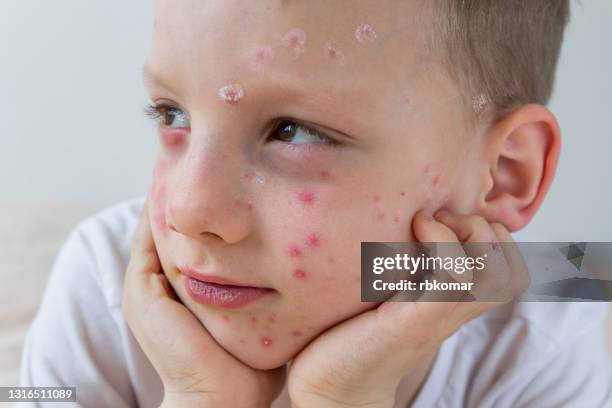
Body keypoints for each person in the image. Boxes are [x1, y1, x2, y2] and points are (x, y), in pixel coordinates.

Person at [21, 0, 612, 407]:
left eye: (294, 131)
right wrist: (202, 398)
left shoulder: (559, 316)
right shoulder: (105, 274)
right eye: (171, 114)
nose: (187, 210)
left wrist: (346, 397)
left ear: (504, 175)